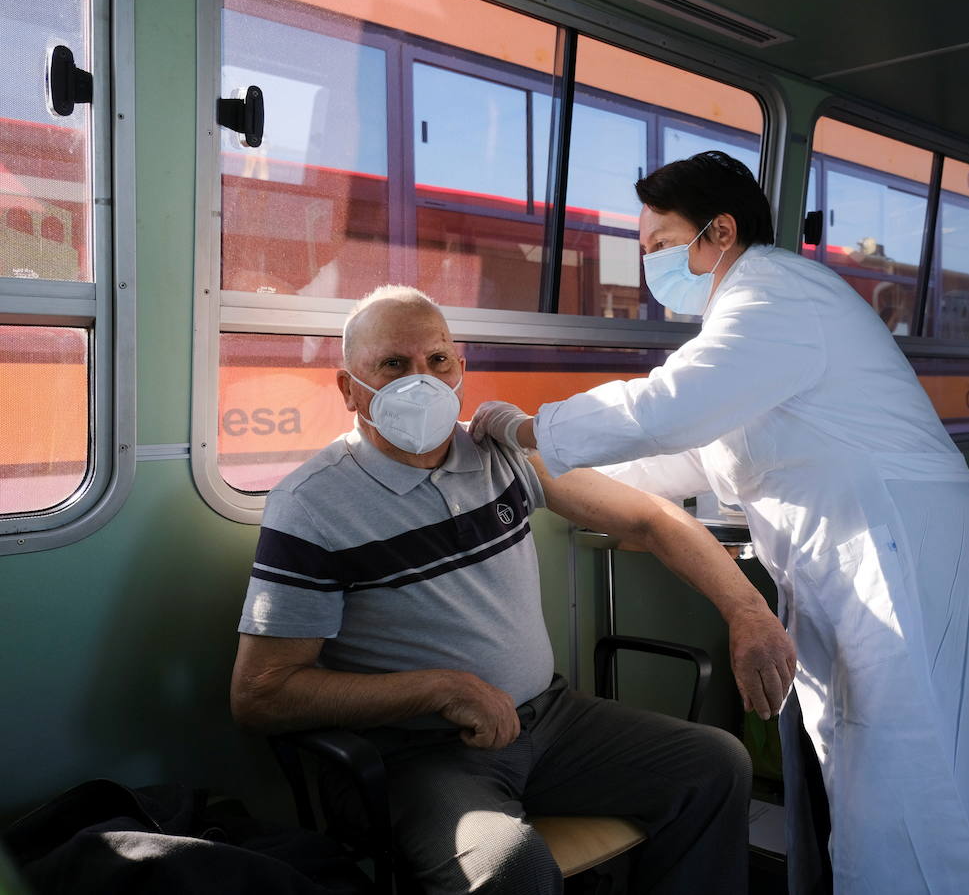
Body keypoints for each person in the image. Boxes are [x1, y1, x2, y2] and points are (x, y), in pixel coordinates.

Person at [470, 151, 969, 894]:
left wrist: (527, 430)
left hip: (893, 545)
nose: (649, 263)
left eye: (659, 245)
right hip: (857, 548)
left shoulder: (777, 296)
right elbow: (694, 455)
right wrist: (550, 473)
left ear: (719, 232)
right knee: (871, 756)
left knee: (906, 757)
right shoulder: (742, 325)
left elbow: (667, 406)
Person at [229, 285, 796, 895]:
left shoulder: (499, 454)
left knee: (715, 764)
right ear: (348, 389)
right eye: (393, 365)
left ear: (461, 371)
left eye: (437, 361)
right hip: (419, 753)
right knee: (510, 866)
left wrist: (748, 610)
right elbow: (262, 694)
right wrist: (439, 690)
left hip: (549, 721)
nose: (420, 380)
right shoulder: (313, 505)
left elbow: (650, 519)